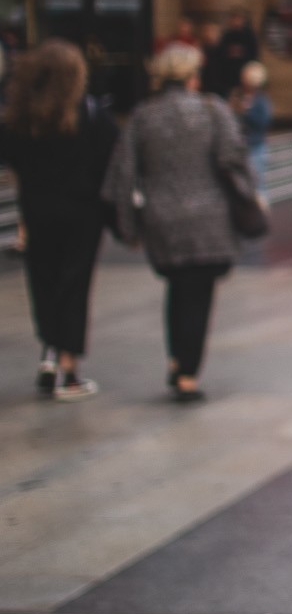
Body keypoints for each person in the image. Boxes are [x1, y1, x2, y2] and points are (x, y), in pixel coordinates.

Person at [102, 43, 254, 403]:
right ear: (191, 76)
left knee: (178, 288)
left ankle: (176, 359)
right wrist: (246, 198)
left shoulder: (143, 116)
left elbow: (122, 174)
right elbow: (233, 160)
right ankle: (187, 371)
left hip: (162, 217)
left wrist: (128, 226)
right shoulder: (213, 110)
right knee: (199, 294)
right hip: (210, 217)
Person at [0, 40, 117, 400]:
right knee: (74, 284)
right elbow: (110, 161)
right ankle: (68, 369)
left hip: (37, 209)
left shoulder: (21, 118)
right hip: (83, 212)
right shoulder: (93, 116)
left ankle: (49, 352)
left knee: (44, 280)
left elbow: (11, 160)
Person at [232, 61, 272, 194]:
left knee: (258, 184)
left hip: (256, 146)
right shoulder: (238, 96)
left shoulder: (261, 100)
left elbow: (263, 121)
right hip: (242, 146)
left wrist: (247, 112)